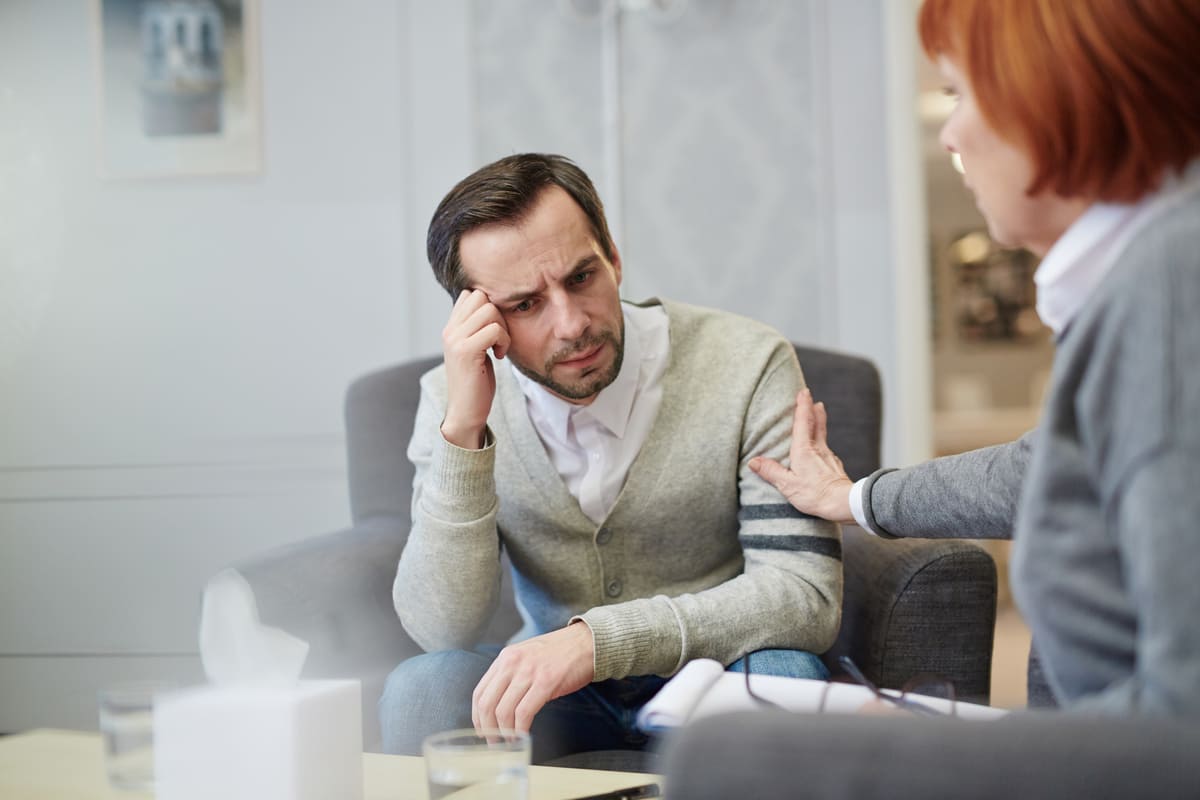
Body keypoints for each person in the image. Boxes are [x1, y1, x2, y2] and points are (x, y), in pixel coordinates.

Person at [752, 0, 1200, 716]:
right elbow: (1044, 472)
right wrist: (853, 499)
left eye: (961, 92)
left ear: (1058, 94)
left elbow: (1180, 727)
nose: (952, 132)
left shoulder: (1169, 290)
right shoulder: (1145, 277)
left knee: (736, 753)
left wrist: (963, 749)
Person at [380, 153, 842, 760]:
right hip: (551, 700)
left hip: (711, 672)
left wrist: (598, 643)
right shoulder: (452, 400)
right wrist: (463, 431)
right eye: (525, 305)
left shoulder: (749, 362)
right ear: (479, 315)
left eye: (581, 278)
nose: (572, 325)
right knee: (423, 688)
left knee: (788, 679)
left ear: (613, 257)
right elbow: (441, 629)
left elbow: (805, 596)